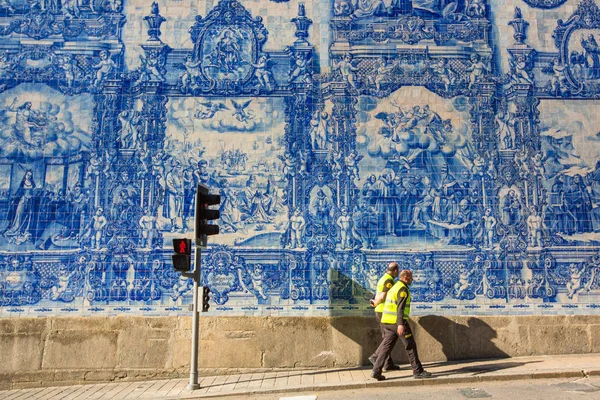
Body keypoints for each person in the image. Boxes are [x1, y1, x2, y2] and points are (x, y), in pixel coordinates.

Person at [371, 269, 432, 381]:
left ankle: (376, 371)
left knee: (386, 348)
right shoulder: (402, 289)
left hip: (387, 322)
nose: (412, 279)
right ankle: (418, 371)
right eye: (411, 277)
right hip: (397, 322)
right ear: (406, 278)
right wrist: (400, 324)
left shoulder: (394, 286)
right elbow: (400, 308)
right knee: (410, 346)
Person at [368, 262, 400, 372]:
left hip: (380, 311)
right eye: (397, 271)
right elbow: (383, 295)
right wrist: (376, 302)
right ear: (395, 271)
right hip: (384, 311)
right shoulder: (389, 281)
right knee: (389, 337)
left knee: (387, 336)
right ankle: (375, 356)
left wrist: (374, 302)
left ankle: (388, 363)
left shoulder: (382, 278)